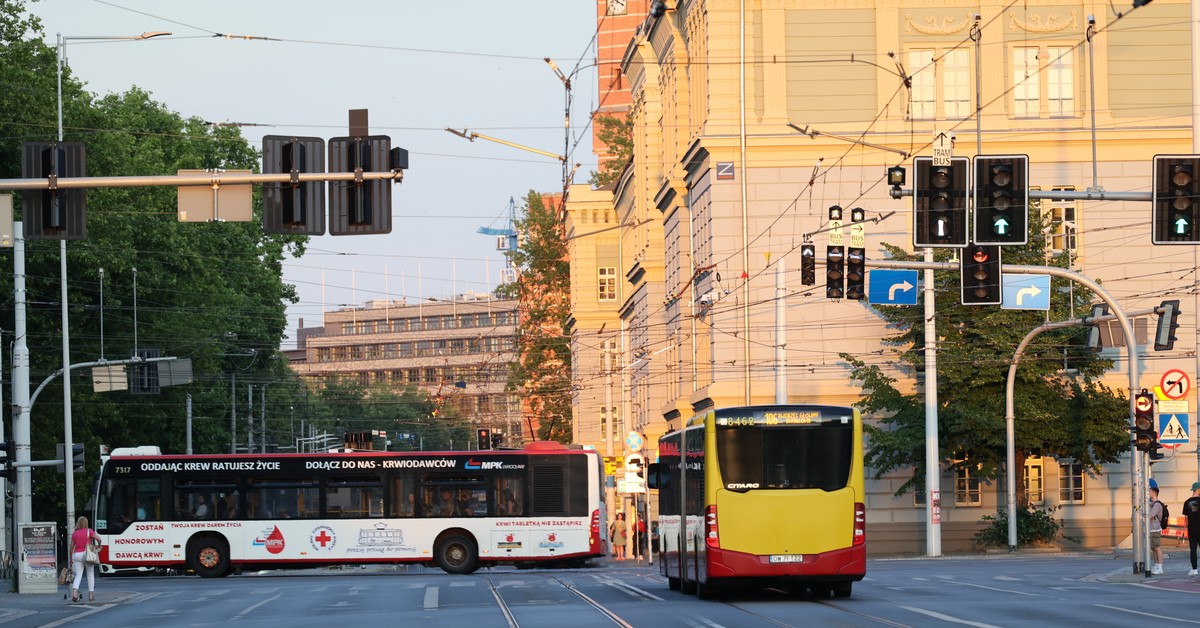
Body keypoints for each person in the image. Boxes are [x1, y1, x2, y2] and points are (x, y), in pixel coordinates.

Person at [69, 516, 100, 603]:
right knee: (90, 574)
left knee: (78, 575)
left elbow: (71, 548)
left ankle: (75, 592)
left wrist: (70, 558)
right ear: (86, 523)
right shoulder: (89, 531)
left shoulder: (75, 533)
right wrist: (98, 545)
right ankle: (91, 595)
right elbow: (98, 539)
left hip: (77, 555)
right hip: (87, 555)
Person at [1184, 482, 1200, 576]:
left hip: (1192, 529)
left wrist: (1188, 528)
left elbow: (1186, 518)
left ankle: (1194, 569)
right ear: (1198, 490)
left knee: (1193, 550)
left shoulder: (1187, 502)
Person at [1150, 487, 1164, 575]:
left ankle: (1160, 567)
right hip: (1151, 529)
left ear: (1153, 493)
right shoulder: (1153, 504)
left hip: (1155, 529)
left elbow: (1150, 516)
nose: (1148, 494)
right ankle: (1156, 565)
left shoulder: (1157, 505)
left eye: (1149, 492)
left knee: (1157, 548)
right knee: (1153, 548)